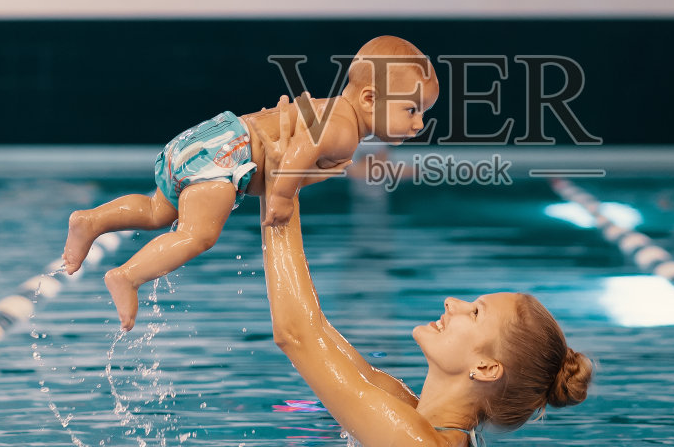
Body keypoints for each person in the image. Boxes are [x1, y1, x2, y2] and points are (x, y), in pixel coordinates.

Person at [261, 109, 594, 447]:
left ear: (486, 368)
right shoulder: (407, 411)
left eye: (474, 313)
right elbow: (313, 330)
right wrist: (288, 173)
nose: (451, 303)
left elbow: (294, 335)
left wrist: (280, 194)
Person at [61, 36, 437, 331]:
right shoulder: (343, 129)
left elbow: (285, 122)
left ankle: (91, 221)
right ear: (370, 98)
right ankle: (127, 276)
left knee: (159, 210)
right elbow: (300, 151)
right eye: (411, 110)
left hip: (205, 139)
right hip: (225, 155)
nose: (418, 124)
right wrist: (283, 197)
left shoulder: (329, 108)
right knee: (198, 236)